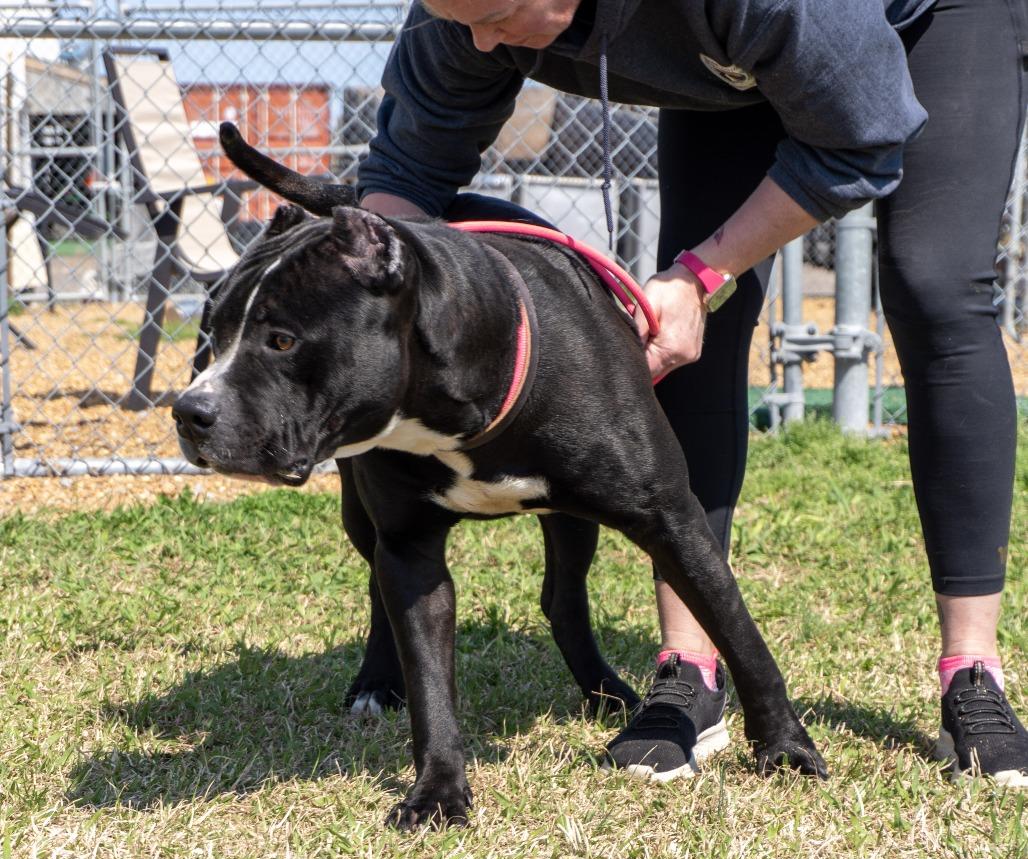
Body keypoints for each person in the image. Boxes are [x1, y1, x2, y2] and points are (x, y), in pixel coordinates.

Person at [356, 0, 1028, 786]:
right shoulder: (464, 14)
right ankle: (688, 666)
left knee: (934, 286)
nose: (475, 39)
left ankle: (973, 675)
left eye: (496, 14)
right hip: (725, 58)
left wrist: (703, 271)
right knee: (684, 327)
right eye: (457, 17)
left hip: (931, 19)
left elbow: (864, 138)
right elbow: (404, 179)